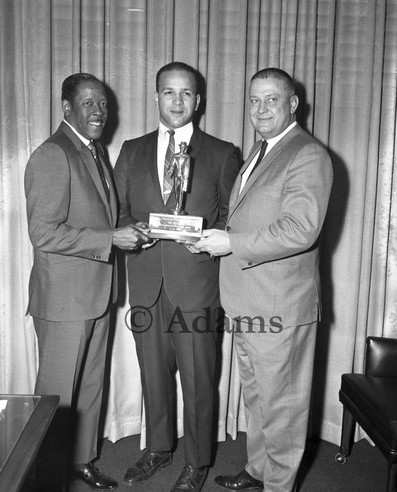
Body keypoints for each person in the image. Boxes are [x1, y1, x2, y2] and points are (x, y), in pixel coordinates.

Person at [196, 68, 333, 492]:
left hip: (280, 305)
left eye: (271, 99)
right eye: (254, 100)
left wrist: (231, 243)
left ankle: (279, 485)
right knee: (257, 398)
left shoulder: (307, 153)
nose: (260, 109)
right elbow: (246, 216)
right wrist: (206, 238)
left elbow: (301, 229)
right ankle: (258, 471)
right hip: (246, 301)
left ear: (293, 104)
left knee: (282, 408)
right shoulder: (261, 150)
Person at [113, 61, 241, 492]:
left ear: (198, 100)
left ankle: (198, 460)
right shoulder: (131, 148)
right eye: (169, 92)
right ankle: (159, 448)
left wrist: (206, 237)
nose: (177, 101)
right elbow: (119, 210)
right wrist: (136, 231)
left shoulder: (223, 153)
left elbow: (230, 217)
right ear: (155, 97)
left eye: (186, 93)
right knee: (153, 373)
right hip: (147, 281)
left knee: (199, 376)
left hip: (197, 283)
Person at [24, 73, 150, 491]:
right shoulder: (53, 154)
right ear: (66, 108)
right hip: (63, 300)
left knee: (90, 387)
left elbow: (102, 218)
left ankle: (79, 463)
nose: (98, 111)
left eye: (103, 104)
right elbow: (44, 233)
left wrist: (136, 229)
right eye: (88, 103)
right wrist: (110, 238)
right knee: (56, 399)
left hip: (95, 293)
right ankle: (45, 478)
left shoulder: (93, 152)